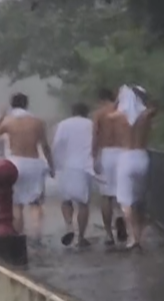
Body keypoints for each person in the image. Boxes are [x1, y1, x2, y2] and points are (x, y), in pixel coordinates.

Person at [0, 93, 54, 237]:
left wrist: (1, 117)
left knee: (17, 204)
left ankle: (18, 235)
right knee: (36, 203)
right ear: (27, 104)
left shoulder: (9, 121)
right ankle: (37, 234)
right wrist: (51, 166)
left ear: (12, 105)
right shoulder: (38, 122)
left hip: (15, 164)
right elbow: (45, 146)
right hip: (34, 164)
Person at [111, 85, 157, 250]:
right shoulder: (146, 116)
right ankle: (140, 235)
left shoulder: (118, 117)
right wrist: (143, 98)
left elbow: (112, 110)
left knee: (126, 201)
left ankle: (133, 236)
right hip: (142, 157)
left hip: (126, 157)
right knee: (139, 200)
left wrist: (118, 99)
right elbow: (154, 106)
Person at [53, 102, 94, 248]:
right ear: (87, 112)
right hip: (85, 166)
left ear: (72, 111)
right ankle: (81, 237)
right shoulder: (91, 125)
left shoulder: (63, 124)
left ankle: (69, 226)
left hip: (67, 165)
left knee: (66, 200)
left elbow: (57, 144)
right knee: (83, 203)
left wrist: (56, 164)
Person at [92, 87, 127, 245]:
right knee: (124, 193)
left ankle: (108, 234)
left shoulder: (99, 114)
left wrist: (94, 157)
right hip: (123, 152)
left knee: (106, 196)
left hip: (107, 153)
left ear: (100, 99)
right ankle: (121, 217)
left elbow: (95, 136)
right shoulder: (123, 112)